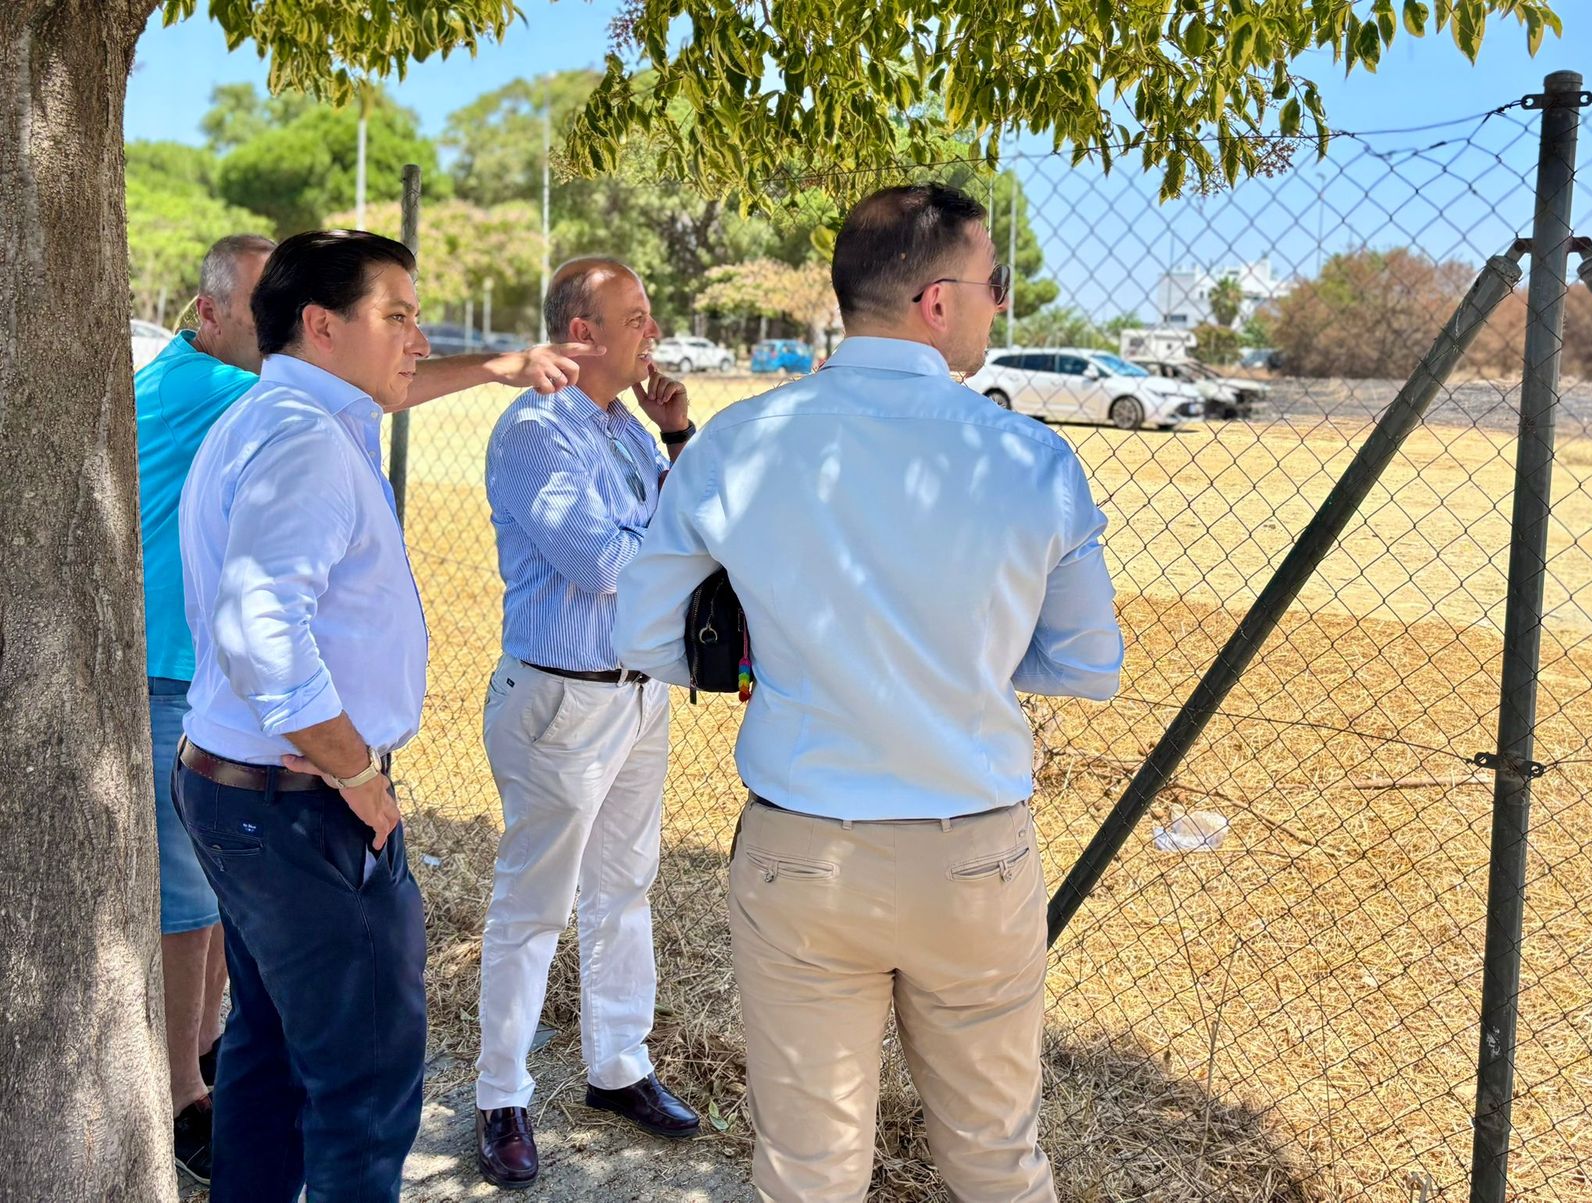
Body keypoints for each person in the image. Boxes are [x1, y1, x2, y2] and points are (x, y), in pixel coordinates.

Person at [611, 184, 1125, 1202]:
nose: (999, 306)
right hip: (972, 854)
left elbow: (647, 634)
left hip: (806, 851)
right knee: (996, 1155)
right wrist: (959, 658)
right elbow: (1085, 663)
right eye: (994, 285)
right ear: (938, 302)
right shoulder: (1028, 455)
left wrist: (785, 660)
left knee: (807, 1167)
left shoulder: (739, 441)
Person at [135, 233, 603, 1185]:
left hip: (257, 788)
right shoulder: (301, 438)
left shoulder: (294, 417)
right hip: (301, 799)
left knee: (265, 1057)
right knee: (364, 1085)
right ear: (320, 326)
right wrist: (356, 774)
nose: (419, 339)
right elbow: (265, 626)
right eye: (397, 315)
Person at [473, 257, 701, 1190]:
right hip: (565, 697)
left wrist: (679, 436)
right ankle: (499, 1094)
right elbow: (607, 563)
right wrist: (678, 538)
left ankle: (618, 1065)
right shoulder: (536, 429)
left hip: (639, 691)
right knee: (536, 904)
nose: (653, 332)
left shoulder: (629, 431)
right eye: (636, 317)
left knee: (624, 888)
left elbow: (696, 528)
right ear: (582, 332)